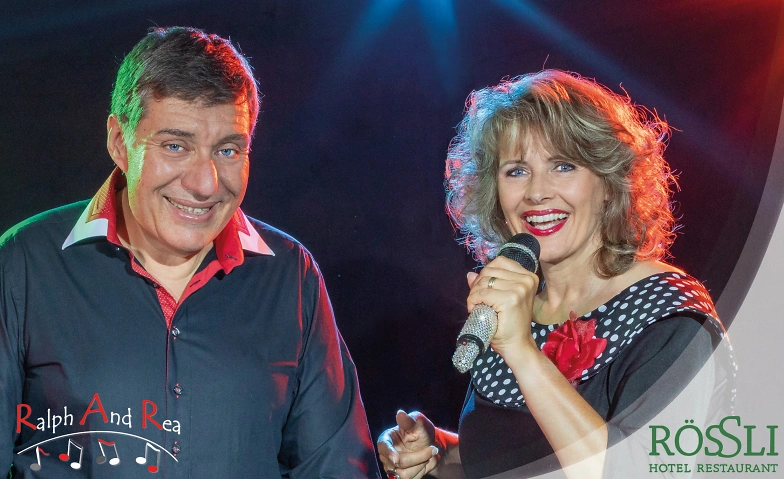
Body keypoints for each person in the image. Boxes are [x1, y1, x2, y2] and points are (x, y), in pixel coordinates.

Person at [0, 27, 380, 478]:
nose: (205, 184)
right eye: (175, 146)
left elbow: (336, 467)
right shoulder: (25, 262)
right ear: (119, 142)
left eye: (228, 150)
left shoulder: (291, 276)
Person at [377, 70, 734, 479]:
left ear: (609, 182)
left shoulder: (669, 316)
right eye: (516, 171)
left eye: (563, 166)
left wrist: (522, 352)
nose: (536, 192)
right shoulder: (516, 306)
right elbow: (519, 458)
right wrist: (441, 453)